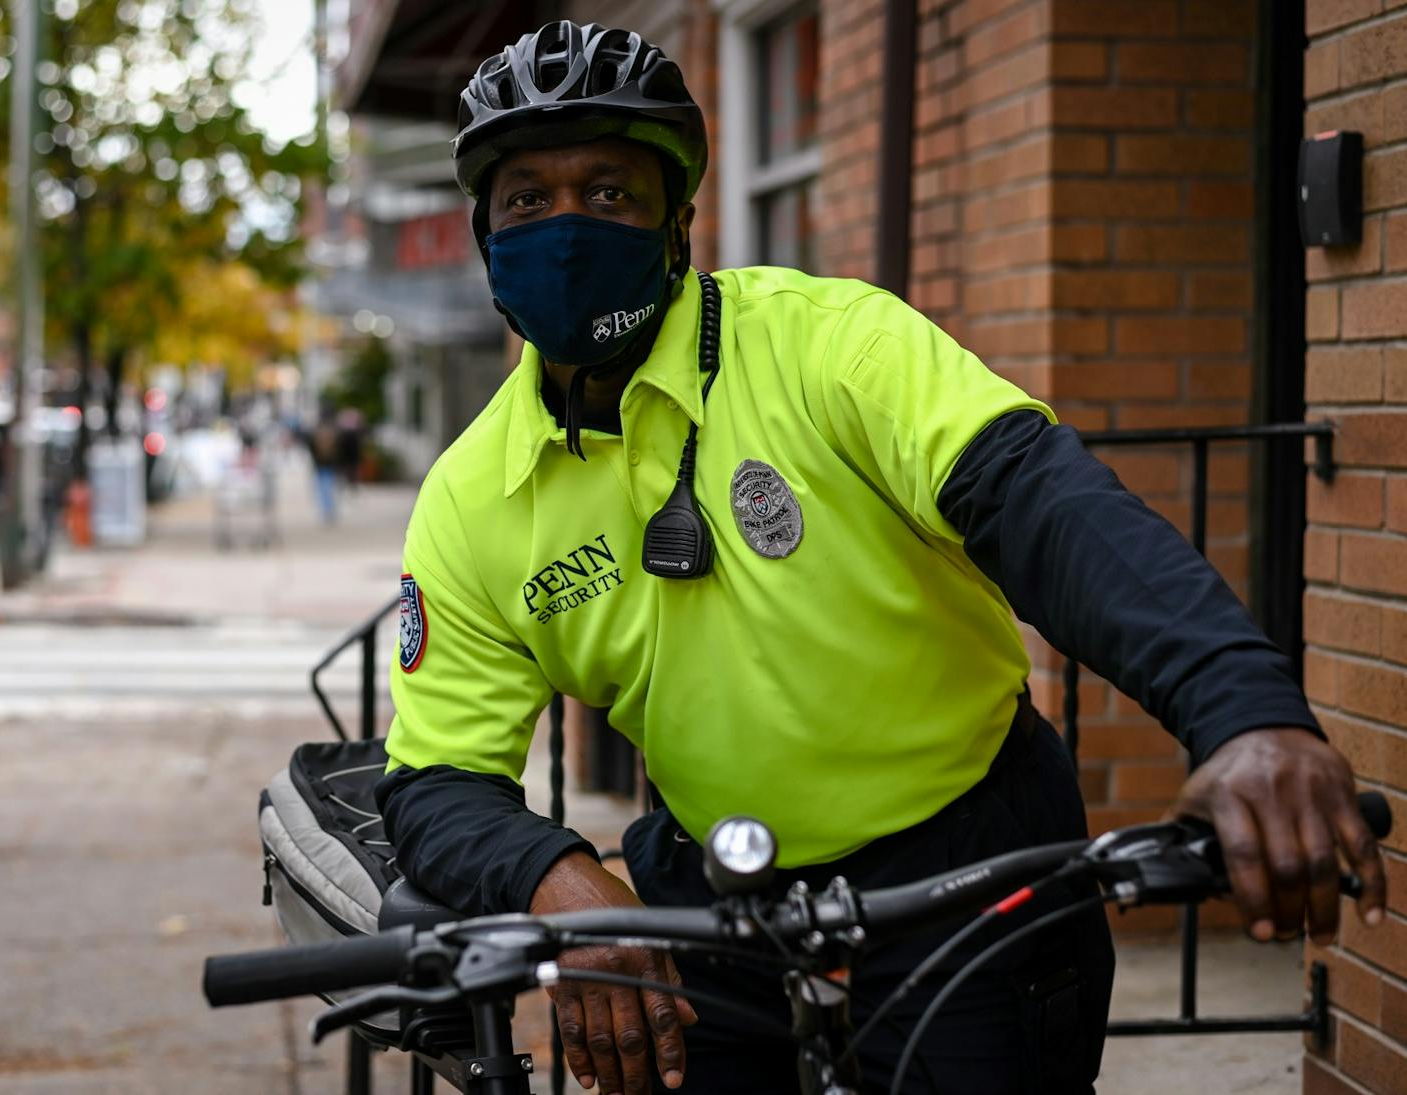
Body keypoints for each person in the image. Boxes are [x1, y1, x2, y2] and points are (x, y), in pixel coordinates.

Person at [374, 21, 1386, 1095]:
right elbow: (437, 777)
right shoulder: (469, 496)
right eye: (527, 200)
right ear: (485, 233)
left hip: (967, 853)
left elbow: (1038, 504)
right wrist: (558, 884)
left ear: (675, 218)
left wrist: (1242, 710)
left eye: (610, 191)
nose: (567, 229)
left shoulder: (828, 342)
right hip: (713, 875)